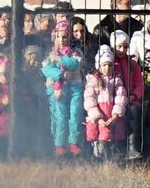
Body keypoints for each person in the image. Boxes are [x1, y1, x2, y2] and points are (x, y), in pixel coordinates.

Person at [41, 25, 84, 159]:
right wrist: (61, 75)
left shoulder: (75, 51)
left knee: (75, 114)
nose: (61, 40)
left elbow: (76, 64)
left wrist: (60, 59)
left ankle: (73, 142)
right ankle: (59, 145)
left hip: (75, 88)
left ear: (69, 37)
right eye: (58, 36)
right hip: (58, 89)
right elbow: (46, 69)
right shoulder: (50, 53)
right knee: (60, 116)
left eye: (64, 36)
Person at [83, 47, 126, 161]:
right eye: (104, 65)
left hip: (112, 113)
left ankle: (112, 154)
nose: (107, 68)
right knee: (95, 132)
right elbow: (89, 100)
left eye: (110, 65)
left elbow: (121, 96)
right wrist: (97, 117)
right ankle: (97, 155)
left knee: (112, 132)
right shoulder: (93, 81)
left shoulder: (116, 80)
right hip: (98, 114)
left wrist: (116, 115)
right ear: (99, 66)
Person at [108, 31, 146, 160]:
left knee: (134, 114)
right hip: (113, 100)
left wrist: (134, 96)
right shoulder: (110, 63)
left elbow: (139, 83)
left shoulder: (132, 64)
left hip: (130, 99)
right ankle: (115, 148)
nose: (122, 49)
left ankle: (132, 147)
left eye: (125, 46)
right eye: (119, 46)